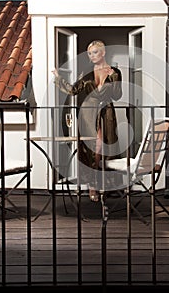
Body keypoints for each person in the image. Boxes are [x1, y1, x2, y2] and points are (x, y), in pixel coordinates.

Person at [52, 40, 122, 201]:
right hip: (88, 113)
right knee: (92, 147)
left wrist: (114, 77)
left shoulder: (115, 71)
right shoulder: (86, 72)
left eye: (95, 52)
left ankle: (106, 183)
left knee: (107, 145)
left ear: (103, 53)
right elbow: (73, 90)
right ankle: (92, 185)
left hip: (107, 112)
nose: (92, 56)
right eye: (90, 53)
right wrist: (58, 77)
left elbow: (117, 95)